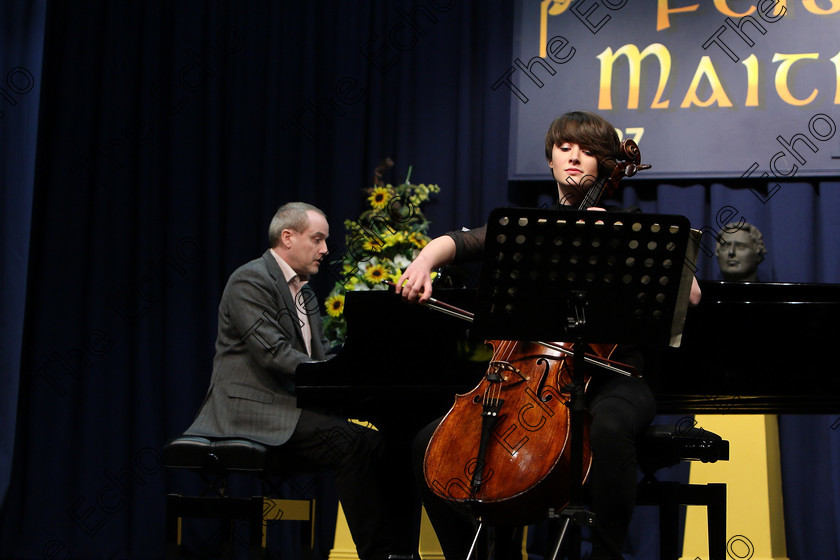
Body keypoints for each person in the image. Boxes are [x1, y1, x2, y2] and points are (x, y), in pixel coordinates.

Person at [396, 111, 701, 559]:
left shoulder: (630, 226)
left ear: (605, 165)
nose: (576, 156)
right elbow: (459, 243)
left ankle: (607, 553)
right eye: (565, 147)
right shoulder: (528, 228)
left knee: (612, 428)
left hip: (615, 377)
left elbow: (690, 295)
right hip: (527, 376)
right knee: (429, 444)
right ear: (550, 160)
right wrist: (423, 262)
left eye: (591, 150)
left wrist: (610, 234)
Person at [183, 202, 417, 560]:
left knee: (388, 444)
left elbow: (318, 360)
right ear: (287, 237)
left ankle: (401, 552)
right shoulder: (250, 280)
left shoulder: (304, 292)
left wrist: (356, 373)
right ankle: (379, 554)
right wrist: (331, 373)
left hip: (287, 404)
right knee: (352, 443)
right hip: (248, 409)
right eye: (318, 239)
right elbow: (273, 354)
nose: (325, 250)